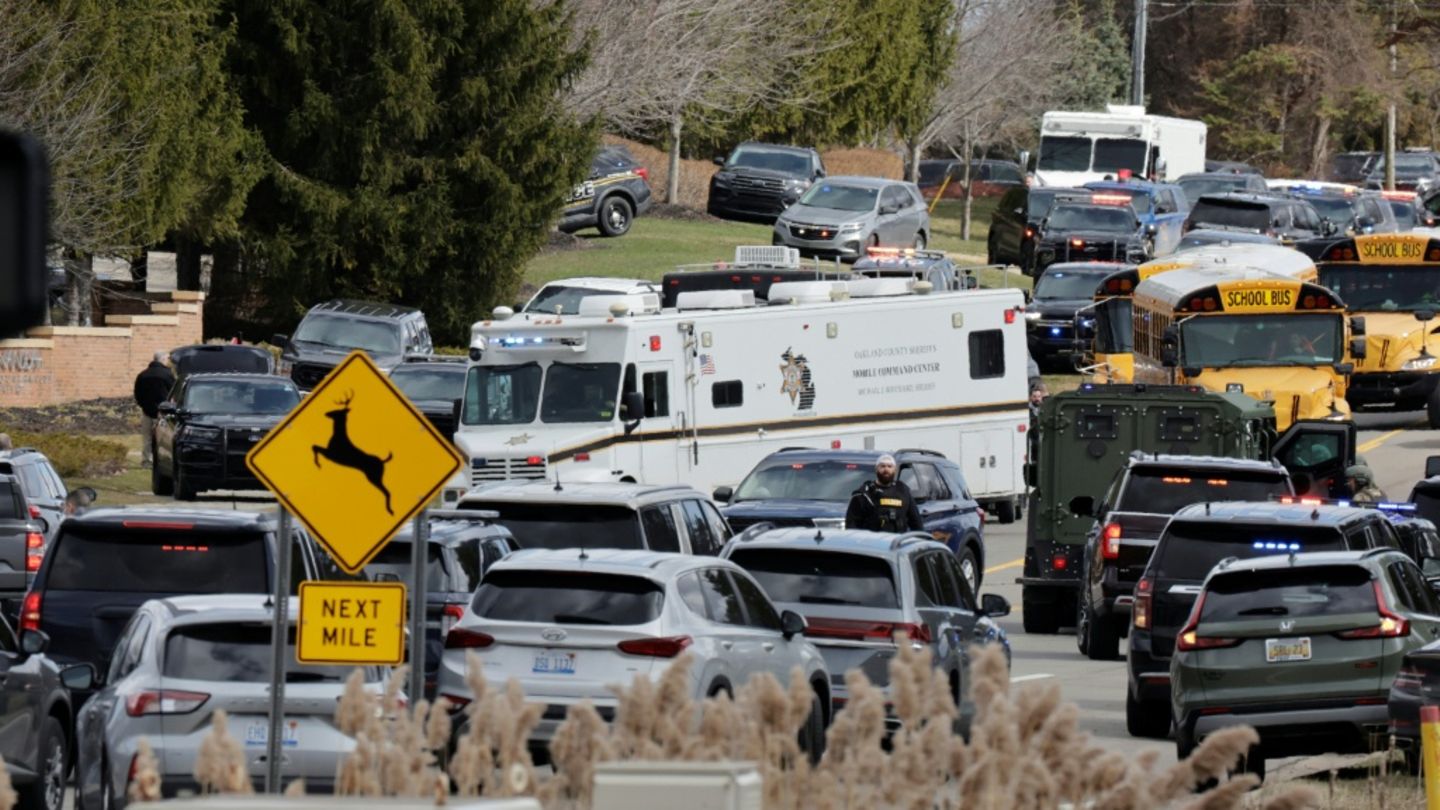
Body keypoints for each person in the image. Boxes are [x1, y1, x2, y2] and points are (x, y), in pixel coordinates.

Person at [845, 454, 923, 533]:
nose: (886, 469)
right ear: (876, 469)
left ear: (895, 470)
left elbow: (916, 524)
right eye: (882, 466)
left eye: (889, 466)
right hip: (871, 542)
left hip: (897, 542)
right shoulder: (865, 494)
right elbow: (852, 525)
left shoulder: (903, 491)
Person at [133, 351, 174, 467]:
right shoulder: (167, 374)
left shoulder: (143, 375)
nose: (167, 361)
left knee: (147, 438)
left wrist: (144, 406)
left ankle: (147, 460)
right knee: (163, 439)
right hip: (163, 412)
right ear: (162, 360)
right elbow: (173, 394)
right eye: (166, 359)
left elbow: (137, 394)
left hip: (147, 411)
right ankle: (161, 461)